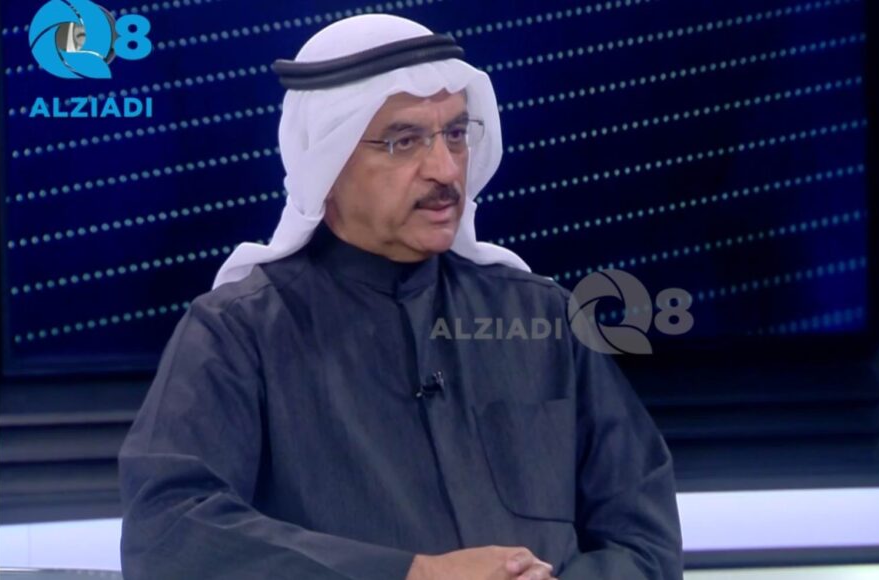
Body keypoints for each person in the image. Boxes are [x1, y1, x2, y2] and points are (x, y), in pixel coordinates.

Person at [117, 13, 683, 580]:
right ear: (326, 161)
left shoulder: (544, 317)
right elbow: (170, 531)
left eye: (456, 134)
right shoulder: (237, 333)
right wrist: (416, 575)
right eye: (404, 142)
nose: (444, 169)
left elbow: (645, 544)